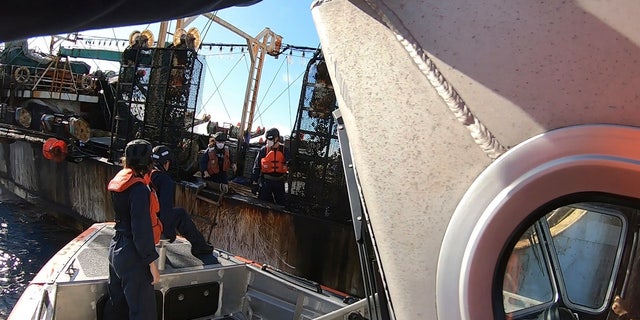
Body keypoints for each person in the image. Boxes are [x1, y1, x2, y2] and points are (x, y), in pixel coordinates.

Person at [103, 139, 161, 320]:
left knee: (117, 306)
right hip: (132, 254)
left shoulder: (121, 184)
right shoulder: (139, 190)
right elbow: (141, 229)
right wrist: (151, 263)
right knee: (143, 314)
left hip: (115, 248)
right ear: (149, 163)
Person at [151, 145, 214, 256]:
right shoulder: (165, 181)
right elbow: (165, 209)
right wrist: (169, 233)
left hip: (144, 219)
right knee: (181, 213)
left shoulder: (147, 175)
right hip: (155, 223)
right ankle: (199, 246)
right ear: (166, 163)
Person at [252, 128, 290, 205]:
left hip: (279, 182)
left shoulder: (284, 150)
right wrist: (254, 182)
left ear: (277, 138)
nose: (268, 141)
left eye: (271, 139)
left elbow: (289, 161)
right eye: (267, 139)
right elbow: (257, 166)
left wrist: (289, 162)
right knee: (262, 204)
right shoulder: (264, 150)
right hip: (266, 182)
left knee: (281, 205)